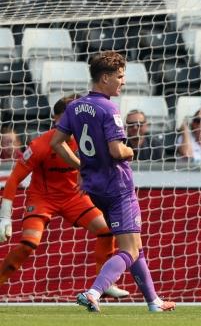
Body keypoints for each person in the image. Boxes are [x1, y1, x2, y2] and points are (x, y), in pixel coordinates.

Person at [50, 52, 174, 312]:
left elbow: (56, 143)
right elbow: (117, 151)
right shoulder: (109, 108)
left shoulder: (74, 107)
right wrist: (131, 151)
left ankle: (154, 301)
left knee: (134, 246)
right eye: (119, 77)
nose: (123, 81)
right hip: (118, 186)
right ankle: (94, 292)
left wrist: (81, 165)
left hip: (94, 187)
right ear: (104, 78)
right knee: (129, 250)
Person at [0, 95, 128, 299]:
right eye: (68, 116)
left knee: (106, 230)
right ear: (56, 119)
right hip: (42, 199)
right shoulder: (40, 145)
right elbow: (14, 179)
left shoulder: (86, 140)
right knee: (28, 244)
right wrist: (5, 217)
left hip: (73, 198)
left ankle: (104, 283)